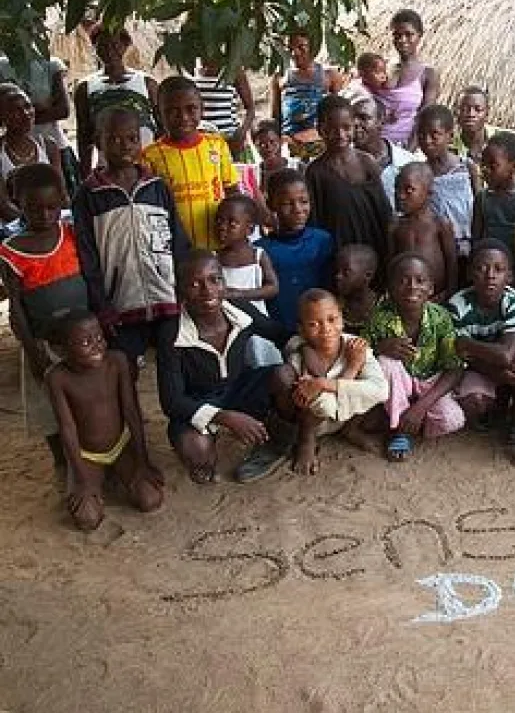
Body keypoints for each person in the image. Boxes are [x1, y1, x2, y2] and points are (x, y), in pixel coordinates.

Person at [156, 251, 296, 484]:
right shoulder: (171, 334)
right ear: (179, 291)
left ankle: (277, 443)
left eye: (215, 279)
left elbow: (279, 333)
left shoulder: (238, 309)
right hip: (197, 400)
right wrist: (224, 417)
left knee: (285, 375)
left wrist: (306, 348)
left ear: (224, 281)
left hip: (239, 389)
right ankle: (206, 449)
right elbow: (172, 401)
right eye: (194, 284)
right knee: (197, 451)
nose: (208, 290)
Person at [72, 107, 190, 368]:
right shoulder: (88, 195)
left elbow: (178, 243)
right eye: (114, 139)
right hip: (120, 306)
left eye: (132, 138)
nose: (124, 146)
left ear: (141, 140)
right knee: (125, 371)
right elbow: (87, 256)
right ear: (99, 141)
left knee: (173, 368)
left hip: (167, 300)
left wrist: (182, 290)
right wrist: (101, 305)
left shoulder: (157, 187)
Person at [0, 164, 89, 469]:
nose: (45, 214)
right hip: (43, 343)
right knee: (47, 404)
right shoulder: (10, 251)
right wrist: (31, 349)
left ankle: (92, 450)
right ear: (17, 203)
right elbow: (16, 308)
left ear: (63, 199)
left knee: (87, 395)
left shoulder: (72, 234)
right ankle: (61, 461)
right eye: (34, 208)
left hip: (85, 337)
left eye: (52, 206)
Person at [44, 311, 164, 531]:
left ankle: (114, 474)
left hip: (120, 446)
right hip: (87, 456)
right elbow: (67, 429)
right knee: (87, 519)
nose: (97, 346)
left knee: (150, 500)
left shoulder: (117, 361)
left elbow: (131, 411)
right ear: (63, 349)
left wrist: (142, 461)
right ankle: (98, 478)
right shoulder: (58, 377)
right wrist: (81, 479)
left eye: (99, 337)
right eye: (85, 342)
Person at [363, 253, 465, 459]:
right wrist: (380, 348)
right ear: (390, 289)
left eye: (420, 281)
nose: (412, 287)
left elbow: (454, 368)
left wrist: (420, 408)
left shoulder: (440, 317)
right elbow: (359, 356)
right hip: (398, 383)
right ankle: (398, 431)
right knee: (386, 363)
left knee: (453, 420)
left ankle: (409, 420)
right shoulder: (380, 318)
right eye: (403, 280)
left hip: (429, 382)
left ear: (431, 288)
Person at [278, 289, 389, 475]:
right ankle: (307, 441)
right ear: (302, 329)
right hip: (315, 424)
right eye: (314, 324)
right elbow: (317, 403)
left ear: (342, 318)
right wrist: (349, 377)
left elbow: (381, 391)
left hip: (350, 416)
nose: (326, 329)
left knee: (377, 397)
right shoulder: (300, 357)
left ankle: (351, 430)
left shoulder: (356, 347)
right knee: (322, 402)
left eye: (332, 319)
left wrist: (326, 382)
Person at [143, 75, 239, 251]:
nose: (183, 117)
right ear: (158, 114)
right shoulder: (150, 156)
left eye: (191, 109)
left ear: (202, 109)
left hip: (218, 245)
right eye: (173, 111)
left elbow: (232, 190)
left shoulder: (216, 145)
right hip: (176, 250)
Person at [446, 239, 515, 432]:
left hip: (508, 360)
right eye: (481, 268)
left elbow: (506, 355)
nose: (490, 276)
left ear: (509, 276)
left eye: (499, 269)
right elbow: (462, 358)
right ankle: (492, 412)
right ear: (469, 273)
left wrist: (468, 344)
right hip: (479, 367)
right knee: (474, 402)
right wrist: (496, 373)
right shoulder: (456, 306)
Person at [304, 94, 392, 265]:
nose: (340, 134)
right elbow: (315, 223)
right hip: (341, 257)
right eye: (331, 129)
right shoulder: (316, 172)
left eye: (346, 127)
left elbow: (383, 211)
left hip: (375, 249)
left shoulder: (367, 162)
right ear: (321, 130)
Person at [257, 169, 334, 333]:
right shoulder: (261, 250)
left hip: (320, 331)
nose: (298, 209)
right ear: (271, 205)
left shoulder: (323, 241)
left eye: (303, 201)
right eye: (287, 203)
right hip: (280, 332)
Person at [74, 26, 159, 174]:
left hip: (147, 164)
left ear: (126, 45)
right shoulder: (85, 87)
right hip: (107, 166)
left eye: (115, 45)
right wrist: (85, 171)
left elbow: (162, 127)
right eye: (102, 45)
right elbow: (84, 134)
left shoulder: (146, 83)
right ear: (95, 47)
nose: (109, 50)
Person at [215, 194, 282, 368]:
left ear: (249, 229)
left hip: (257, 323)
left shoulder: (257, 255)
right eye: (219, 221)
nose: (223, 227)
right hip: (228, 325)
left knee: (260, 363)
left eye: (232, 223)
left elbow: (273, 287)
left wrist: (240, 294)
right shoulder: (214, 259)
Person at [416, 104, 476, 278]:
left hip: (468, 246)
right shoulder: (420, 174)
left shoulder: (466, 168)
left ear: (450, 136)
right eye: (421, 135)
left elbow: (478, 206)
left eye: (435, 135)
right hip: (439, 249)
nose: (427, 141)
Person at [0, 84, 65, 226]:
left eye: (28, 106)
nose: (25, 113)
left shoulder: (48, 146)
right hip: (11, 231)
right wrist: (34, 226)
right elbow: (4, 206)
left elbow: (61, 194)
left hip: (49, 225)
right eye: (15, 110)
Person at [390, 161, 456, 300]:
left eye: (409, 190)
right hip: (405, 299)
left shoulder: (440, 224)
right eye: (397, 188)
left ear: (429, 193)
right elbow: (390, 264)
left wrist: (448, 293)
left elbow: (452, 263)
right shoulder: (395, 227)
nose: (400, 195)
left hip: (438, 298)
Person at [452, 86, 515, 186]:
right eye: (464, 109)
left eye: (478, 109)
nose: (471, 114)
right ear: (456, 112)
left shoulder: (510, 139)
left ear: (487, 113)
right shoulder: (449, 149)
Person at [472, 130, 515, 276]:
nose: (485, 170)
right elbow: (476, 240)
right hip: (489, 273)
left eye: (492, 165)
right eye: (483, 164)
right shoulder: (482, 199)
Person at [270, 31, 338, 161]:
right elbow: (275, 116)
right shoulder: (280, 77)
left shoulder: (328, 75)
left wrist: (317, 135)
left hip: (320, 143)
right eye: (290, 49)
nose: (295, 53)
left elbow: (338, 114)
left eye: (301, 47)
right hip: (290, 144)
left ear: (313, 47)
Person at [351, 90, 420, 212]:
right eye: (352, 118)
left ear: (380, 121)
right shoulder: (339, 167)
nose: (355, 123)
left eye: (363, 118)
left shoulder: (408, 163)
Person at [382, 9, 440, 148]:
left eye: (409, 35)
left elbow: (424, 117)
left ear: (419, 36)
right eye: (397, 35)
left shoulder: (428, 74)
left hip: (407, 145)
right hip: (377, 145)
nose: (402, 40)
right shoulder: (382, 68)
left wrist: (408, 153)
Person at [0, 52, 71, 154]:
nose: (25, 113)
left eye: (27, 107)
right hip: (12, 147)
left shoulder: (51, 64)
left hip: (55, 143)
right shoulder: (2, 66)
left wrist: (17, 117)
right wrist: (43, 108)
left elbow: (62, 110)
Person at [194, 59, 255, 160]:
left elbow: (250, 108)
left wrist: (241, 134)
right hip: (200, 144)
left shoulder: (232, 70)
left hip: (230, 142)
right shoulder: (190, 68)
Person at [333, 243, 379, 335]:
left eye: (346, 272)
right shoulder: (332, 307)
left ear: (368, 275)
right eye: (337, 270)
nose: (338, 276)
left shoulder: (384, 307)